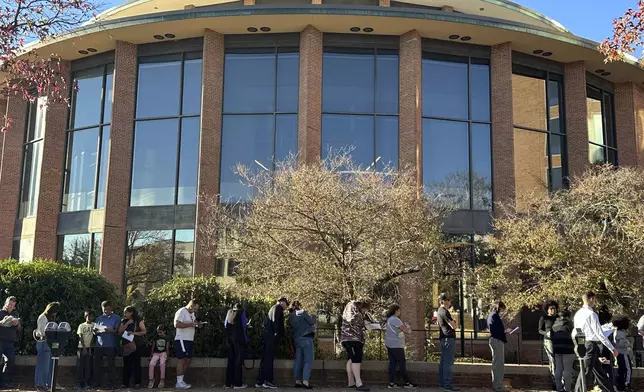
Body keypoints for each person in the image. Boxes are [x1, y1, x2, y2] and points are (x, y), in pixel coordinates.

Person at [572, 291, 617, 392]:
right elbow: (599, 333)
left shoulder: (578, 314)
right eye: (595, 299)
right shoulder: (592, 314)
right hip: (590, 344)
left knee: (599, 372)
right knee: (585, 370)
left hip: (581, 342)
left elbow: (575, 331)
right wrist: (612, 348)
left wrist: (578, 344)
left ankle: (609, 390)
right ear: (591, 299)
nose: (595, 302)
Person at [256, 297, 288, 389]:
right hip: (272, 338)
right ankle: (268, 380)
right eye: (286, 304)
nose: (286, 307)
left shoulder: (272, 308)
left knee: (265, 359)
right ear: (282, 302)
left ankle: (260, 380)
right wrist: (276, 333)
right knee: (269, 359)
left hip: (267, 336)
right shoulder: (278, 308)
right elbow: (276, 321)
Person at [340, 298, 371, 392]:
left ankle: (351, 382)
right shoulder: (352, 306)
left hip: (352, 338)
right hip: (351, 337)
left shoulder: (355, 307)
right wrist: (363, 320)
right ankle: (358, 383)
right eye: (366, 308)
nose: (366, 310)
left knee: (351, 359)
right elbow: (350, 319)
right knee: (356, 359)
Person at [384, 304, 416, 389]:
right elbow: (406, 331)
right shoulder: (396, 320)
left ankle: (391, 383)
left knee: (392, 364)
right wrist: (408, 328)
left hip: (389, 344)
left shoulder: (389, 319)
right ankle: (407, 382)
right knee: (402, 364)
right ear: (396, 311)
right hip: (397, 345)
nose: (400, 312)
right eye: (399, 310)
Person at [92, 300, 121, 390]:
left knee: (111, 365)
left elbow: (117, 331)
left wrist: (109, 330)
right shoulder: (99, 318)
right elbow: (95, 331)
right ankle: (96, 383)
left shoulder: (116, 318)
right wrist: (95, 331)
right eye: (104, 309)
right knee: (96, 365)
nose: (106, 311)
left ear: (111, 308)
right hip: (99, 345)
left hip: (110, 345)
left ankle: (111, 384)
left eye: (108, 309)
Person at [289, 301, 316, 390]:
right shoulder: (303, 313)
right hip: (306, 338)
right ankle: (305, 381)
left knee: (298, 360)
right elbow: (312, 322)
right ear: (299, 306)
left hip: (297, 339)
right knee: (308, 360)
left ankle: (297, 381)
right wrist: (313, 315)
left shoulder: (291, 317)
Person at [174, 299, 201, 390]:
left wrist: (197, 325)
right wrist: (190, 324)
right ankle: (179, 382)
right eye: (195, 309)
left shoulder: (192, 314)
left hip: (189, 339)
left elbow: (191, 324)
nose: (195, 311)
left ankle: (181, 380)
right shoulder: (181, 311)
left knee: (188, 360)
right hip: (182, 339)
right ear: (191, 306)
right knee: (182, 359)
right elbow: (177, 324)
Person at [119, 306, 147, 389]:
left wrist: (133, 333)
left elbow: (144, 331)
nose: (125, 314)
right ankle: (125, 383)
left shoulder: (138, 321)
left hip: (136, 345)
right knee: (126, 364)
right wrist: (127, 323)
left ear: (131, 313)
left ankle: (137, 383)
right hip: (127, 345)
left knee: (136, 364)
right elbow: (119, 331)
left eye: (126, 312)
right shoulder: (123, 321)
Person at [487, 300, 513, 392]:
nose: (502, 311)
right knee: (498, 364)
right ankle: (498, 386)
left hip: (496, 340)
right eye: (502, 309)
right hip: (497, 341)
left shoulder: (492, 316)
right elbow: (496, 330)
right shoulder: (494, 316)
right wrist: (505, 331)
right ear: (498, 307)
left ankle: (498, 384)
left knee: (498, 363)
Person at [436, 294, 458, 392]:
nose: (449, 302)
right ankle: (447, 385)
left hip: (443, 339)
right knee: (448, 363)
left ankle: (442, 383)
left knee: (443, 362)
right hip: (448, 339)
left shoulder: (439, 311)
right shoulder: (444, 311)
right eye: (448, 300)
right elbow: (453, 326)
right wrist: (454, 321)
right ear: (443, 301)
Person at [35, 302, 58, 391]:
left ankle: (48, 383)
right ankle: (40, 384)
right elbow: (42, 332)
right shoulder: (42, 317)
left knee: (49, 365)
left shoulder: (51, 318)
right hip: (43, 342)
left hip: (50, 343)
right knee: (42, 365)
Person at [225, 304, 248, 390]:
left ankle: (228, 383)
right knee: (239, 360)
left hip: (230, 338)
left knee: (230, 359)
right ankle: (237, 383)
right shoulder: (242, 312)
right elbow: (244, 325)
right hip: (239, 338)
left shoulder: (229, 312)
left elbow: (225, 324)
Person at [551, 309, 575, 392]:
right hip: (568, 348)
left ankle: (559, 388)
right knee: (567, 370)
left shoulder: (554, 324)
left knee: (558, 369)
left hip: (557, 348)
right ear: (568, 316)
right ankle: (567, 389)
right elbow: (575, 335)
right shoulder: (570, 324)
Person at [0, 296, 20, 389]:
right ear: (6, 303)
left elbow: (19, 328)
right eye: (10, 304)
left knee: (10, 360)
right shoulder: (0, 313)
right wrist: (2, 322)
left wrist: (16, 324)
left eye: (13, 305)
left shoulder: (15, 314)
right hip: (0, 340)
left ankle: (4, 382)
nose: (11, 306)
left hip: (10, 342)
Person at [539, 300, 559, 388]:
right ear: (547, 310)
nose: (553, 310)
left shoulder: (559, 318)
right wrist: (546, 333)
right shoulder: (544, 318)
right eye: (551, 309)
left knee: (558, 360)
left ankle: (559, 379)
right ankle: (554, 381)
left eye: (554, 308)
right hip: (549, 341)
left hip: (559, 341)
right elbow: (539, 330)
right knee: (553, 360)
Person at [612, 316, 632, 392]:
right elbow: (621, 344)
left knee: (621, 370)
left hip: (619, 353)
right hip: (623, 353)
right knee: (627, 369)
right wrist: (628, 343)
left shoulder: (617, 331)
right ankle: (626, 384)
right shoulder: (620, 333)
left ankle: (621, 385)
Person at [76, 310, 95, 389]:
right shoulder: (81, 325)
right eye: (87, 316)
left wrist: (89, 349)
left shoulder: (94, 325)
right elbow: (80, 337)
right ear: (85, 317)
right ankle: (79, 383)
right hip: (81, 348)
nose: (89, 317)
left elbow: (93, 337)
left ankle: (87, 382)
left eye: (90, 316)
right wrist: (84, 348)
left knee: (88, 366)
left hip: (90, 348)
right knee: (80, 366)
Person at [148, 324, 171, 389]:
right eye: (158, 332)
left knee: (162, 364)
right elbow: (153, 347)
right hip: (156, 353)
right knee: (151, 364)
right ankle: (151, 379)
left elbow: (167, 348)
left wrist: (168, 356)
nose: (159, 333)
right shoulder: (156, 337)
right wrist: (151, 355)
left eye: (160, 332)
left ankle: (162, 379)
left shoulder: (167, 338)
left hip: (163, 353)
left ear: (164, 331)